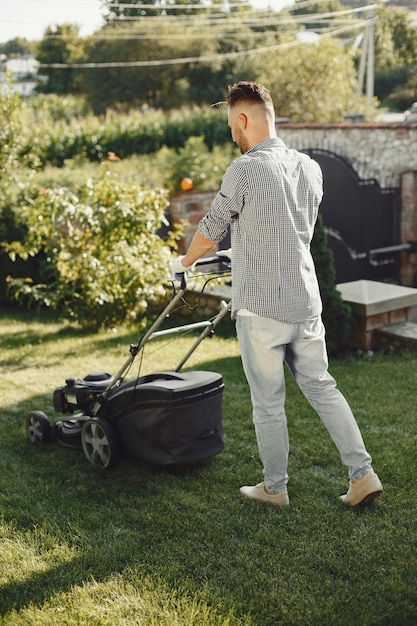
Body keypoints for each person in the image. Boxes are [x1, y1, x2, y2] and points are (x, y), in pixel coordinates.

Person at [171, 81, 382, 508]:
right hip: (304, 301)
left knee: (268, 402)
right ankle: (363, 475)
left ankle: (275, 487)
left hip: (261, 309)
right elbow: (287, 230)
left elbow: (209, 230)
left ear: (244, 119)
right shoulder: (309, 167)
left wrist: (182, 263)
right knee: (323, 386)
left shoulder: (244, 168)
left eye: (233, 125)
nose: (233, 134)